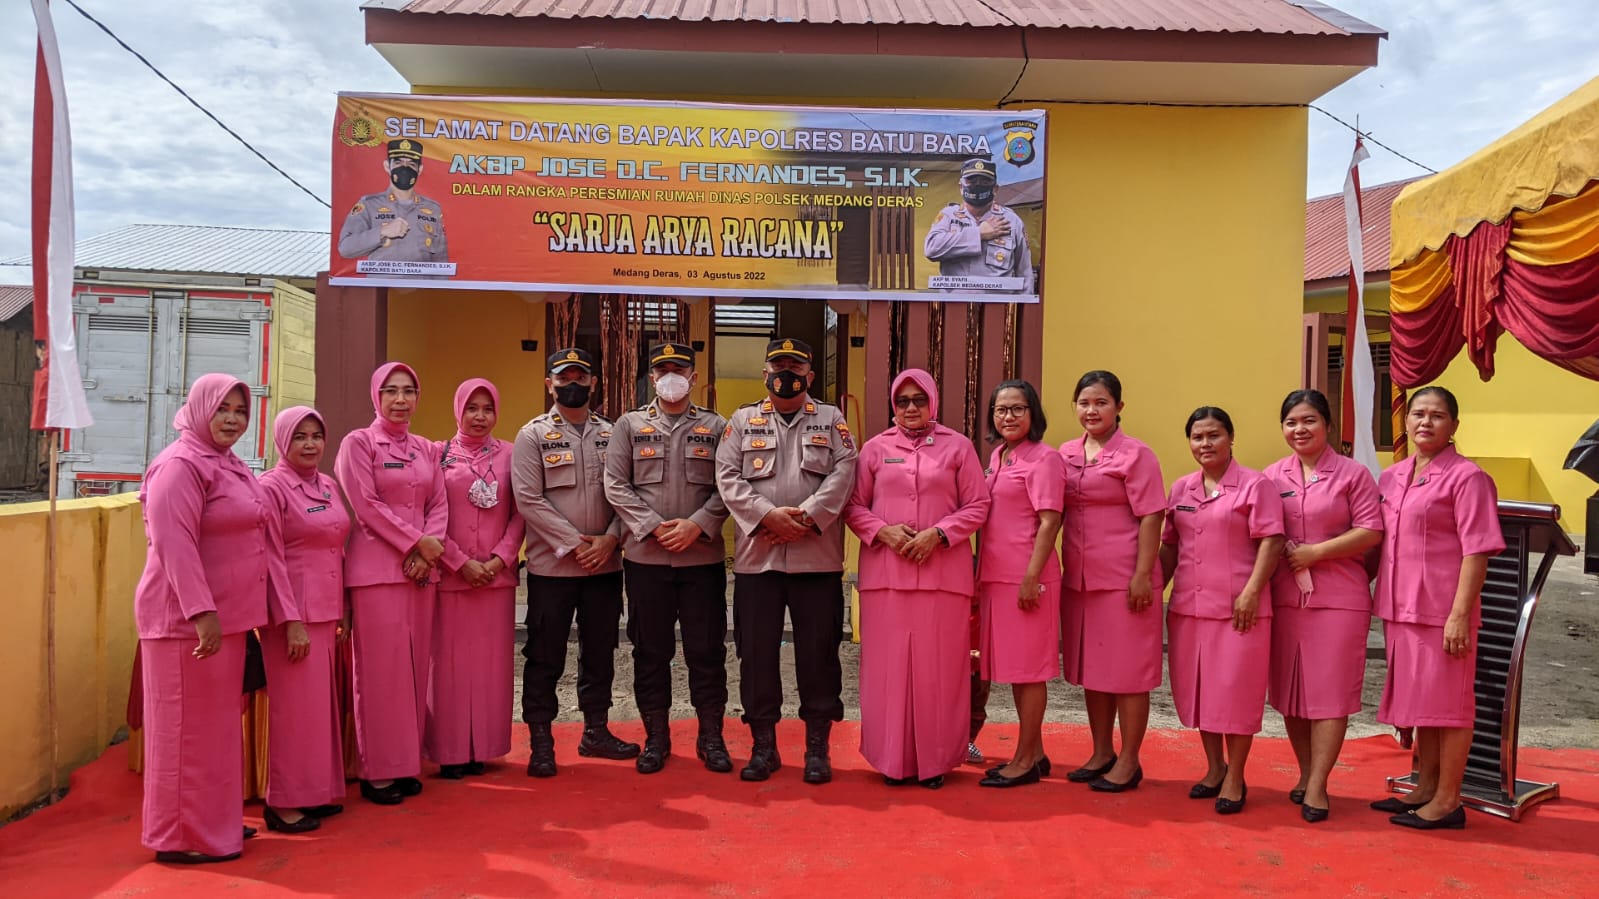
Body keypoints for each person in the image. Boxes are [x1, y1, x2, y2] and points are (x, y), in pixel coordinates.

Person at [136, 374, 297, 863]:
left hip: (225, 622)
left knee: (216, 731)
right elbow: (174, 545)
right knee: (185, 731)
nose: (231, 419)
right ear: (199, 408)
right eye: (222, 408)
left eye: (240, 411)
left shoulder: (228, 465)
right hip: (185, 623)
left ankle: (215, 819)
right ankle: (183, 836)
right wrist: (201, 612)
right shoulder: (179, 466)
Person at [715, 337, 857, 784]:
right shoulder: (741, 421)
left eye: (796, 366)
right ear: (765, 373)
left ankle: (817, 748)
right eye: (778, 365)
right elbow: (727, 476)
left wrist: (809, 517)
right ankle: (764, 747)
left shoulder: (833, 420)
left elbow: (844, 471)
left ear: (810, 375)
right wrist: (768, 517)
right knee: (756, 657)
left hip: (817, 561)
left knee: (819, 656)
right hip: (759, 562)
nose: (786, 373)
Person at [845, 369, 991, 788]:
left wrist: (940, 534)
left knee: (939, 673)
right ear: (894, 405)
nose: (911, 408)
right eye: (903, 401)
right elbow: (853, 506)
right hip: (886, 579)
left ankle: (937, 761)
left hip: (942, 578)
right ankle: (891, 759)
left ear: (933, 402)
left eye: (919, 400)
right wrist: (882, 531)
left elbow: (979, 504)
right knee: (887, 673)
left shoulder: (957, 448)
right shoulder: (874, 450)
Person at [1370, 386, 1503, 831]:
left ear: (1454, 427)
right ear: (1405, 421)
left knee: (1449, 707)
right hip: (1399, 607)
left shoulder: (1468, 478)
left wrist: (1460, 614)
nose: (1425, 422)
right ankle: (1424, 787)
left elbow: (1477, 551)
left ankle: (1449, 800)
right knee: (1423, 705)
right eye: (1418, 414)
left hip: (1442, 612)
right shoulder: (1393, 477)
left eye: (1438, 416)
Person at [603, 343, 733, 775]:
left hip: (702, 560)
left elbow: (729, 484)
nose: (671, 375)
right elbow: (616, 484)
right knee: (650, 651)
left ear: (694, 377)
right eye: (663, 369)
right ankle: (656, 738)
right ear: (652, 377)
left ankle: (711, 737)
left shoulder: (717, 427)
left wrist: (696, 524)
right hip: (646, 559)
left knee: (707, 651)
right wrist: (656, 526)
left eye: (679, 369)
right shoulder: (629, 425)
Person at [512, 348, 637, 777]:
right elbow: (528, 498)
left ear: (593, 383)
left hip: (605, 566)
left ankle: (595, 731)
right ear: (549, 383)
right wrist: (575, 543)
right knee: (544, 655)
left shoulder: (615, 432)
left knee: (600, 651)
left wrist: (611, 539)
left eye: (580, 377)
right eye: (563, 377)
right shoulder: (532, 435)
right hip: (553, 569)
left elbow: (628, 492)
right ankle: (541, 742)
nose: (572, 384)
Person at [1265, 389, 1383, 823]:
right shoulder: (1272, 476)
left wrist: (1317, 554)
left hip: (1339, 599)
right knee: (1293, 693)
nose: (1300, 429)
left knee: (1329, 695)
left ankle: (1318, 786)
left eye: (1309, 420)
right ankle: (1304, 772)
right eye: (1292, 422)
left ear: (1328, 425)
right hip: (1285, 598)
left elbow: (1372, 530)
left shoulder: (1353, 475)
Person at [1159, 406, 1285, 815]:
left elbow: (1272, 541)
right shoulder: (1181, 490)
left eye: (1214, 435)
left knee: (1235, 695)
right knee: (1201, 692)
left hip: (1239, 610)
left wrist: (1252, 591)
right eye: (1197, 437)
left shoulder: (1255, 486)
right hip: (1189, 610)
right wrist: (1151, 585)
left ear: (1231, 438)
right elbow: (1168, 546)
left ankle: (1236, 776)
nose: (1205, 444)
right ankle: (1214, 768)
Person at [333, 362, 448, 806]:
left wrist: (429, 548)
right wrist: (416, 543)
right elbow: (365, 505)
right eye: (391, 391)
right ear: (375, 396)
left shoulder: (424, 447)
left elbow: (438, 501)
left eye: (409, 391)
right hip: (377, 572)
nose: (401, 400)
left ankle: (404, 762)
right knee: (380, 674)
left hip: (421, 572)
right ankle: (377, 771)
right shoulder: (358, 444)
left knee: (415, 672)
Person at [1058, 371, 1166, 793]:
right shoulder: (1066, 453)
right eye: (1084, 402)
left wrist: (1142, 574)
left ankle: (1129, 759)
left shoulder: (1137, 455)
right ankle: (1101, 750)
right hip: (1081, 580)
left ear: (1119, 407)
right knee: (1093, 670)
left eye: (1101, 402)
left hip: (1126, 581)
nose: (1091, 411)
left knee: (1128, 674)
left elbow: (1152, 515)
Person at [257, 406, 352, 833]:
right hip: (292, 615)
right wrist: (289, 619)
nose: (311, 445)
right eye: (300, 437)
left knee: (318, 710)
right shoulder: (272, 488)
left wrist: (343, 608)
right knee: (294, 712)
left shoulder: (327, 484)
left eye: (316, 436)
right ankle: (284, 802)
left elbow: (339, 546)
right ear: (282, 442)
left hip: (325, 610)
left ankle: (315, 790)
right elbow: (270, 558)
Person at [428, 379, 525, 778]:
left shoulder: (511, 455)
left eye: (487, 408)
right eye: (472, 408)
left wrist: (501, 559)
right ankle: (449, 751)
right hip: (452, 577)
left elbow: (521, 513)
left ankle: (484, 746)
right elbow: (430, 512)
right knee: (448, 667)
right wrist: (457, 561)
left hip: (495, 580)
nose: (480, 416)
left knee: (490, 666)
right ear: (458, 411)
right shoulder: (438, 455)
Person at [975, 380, 1064, 788]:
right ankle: (1037, 751)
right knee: (1015, 669)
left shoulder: (1044, 459)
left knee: (1030, 671)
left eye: (1017, 409)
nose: (1008, 416)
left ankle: (1025, 758)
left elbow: (1050, 520)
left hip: (1028, 579)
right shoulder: (999, 456)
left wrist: (1032, 575)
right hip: (997, 576)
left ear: (1033, 413)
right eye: (1000, 409)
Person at [923, 157, 1033, 294]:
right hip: (954, 308)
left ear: (995, 189)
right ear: (961, 186)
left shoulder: (1011, 221)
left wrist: (1024, 309)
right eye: (971, 181)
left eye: (984, 181)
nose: (977, 185)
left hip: (998, 309)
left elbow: (1025, 273)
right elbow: (931, 249)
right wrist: (979, 233)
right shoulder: (948, 216)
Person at [337, 139, 449, 263]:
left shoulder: (432, 208)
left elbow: (441, 262)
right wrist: (382, 231)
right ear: (387, 166)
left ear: (420, 169)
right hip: (382, 282)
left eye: (412, 164)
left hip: (421, 282)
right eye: (398, 162)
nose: (404, 168)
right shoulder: (369, 204)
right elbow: (345, 248)